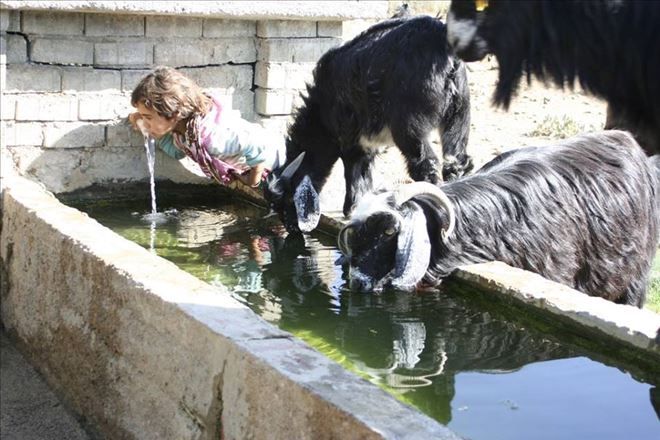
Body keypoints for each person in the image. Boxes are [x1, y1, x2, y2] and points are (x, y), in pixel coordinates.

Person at [128, 66, 286, 187]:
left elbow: (253, 143)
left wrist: (252, 180)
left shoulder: (212, 137)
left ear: (173, 113)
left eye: (147, 117)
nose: (144, 121)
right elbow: (177, 152)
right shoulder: (184, 133)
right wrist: (158, 135)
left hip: (280, 164)